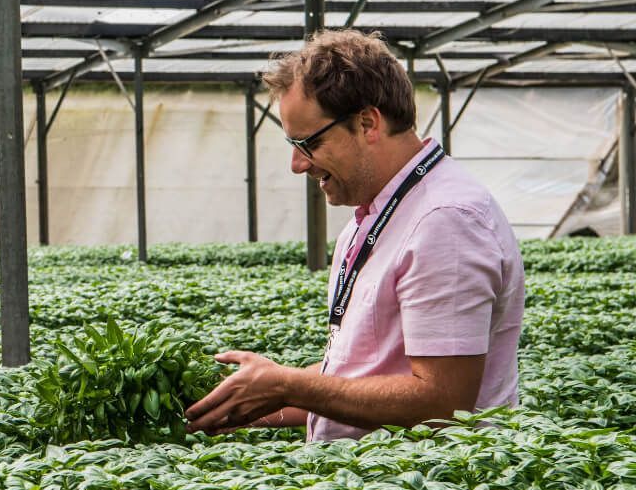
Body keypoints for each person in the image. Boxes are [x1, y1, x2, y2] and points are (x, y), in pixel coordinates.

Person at [186, 29, 523, 441]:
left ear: (367, 123)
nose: (297, 164)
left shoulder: (445, 220)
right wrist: (246, 406)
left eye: (307, 143)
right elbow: (365, 375)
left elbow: (442, 403)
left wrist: (289, 385)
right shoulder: (378, 212)